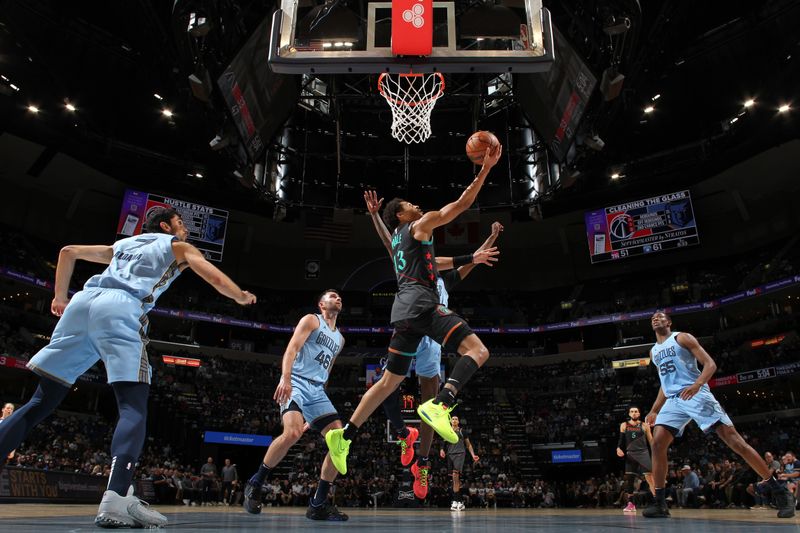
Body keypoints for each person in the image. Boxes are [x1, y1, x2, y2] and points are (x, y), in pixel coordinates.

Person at [0, 207, 257, 528]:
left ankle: (124, 493)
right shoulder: (177, 247)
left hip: (82, 304)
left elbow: (68, 252)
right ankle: (116, 498)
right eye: (181, 224)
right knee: (133, 407)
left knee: (40, 401)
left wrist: (59, 297)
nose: (186, 231)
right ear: (166, 227)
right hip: (121, 309)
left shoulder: (123, 246)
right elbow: (215, 278)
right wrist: (241, 296)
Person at [324, 143, 503, 481]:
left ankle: (344, 435)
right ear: (403, 216)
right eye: (409, 205)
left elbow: (429, 258)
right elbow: (462, 203)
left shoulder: (397, 241)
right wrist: (486, 169)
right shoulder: (421, 225)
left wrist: (470, 259)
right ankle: (441, 402)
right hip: (423, 305)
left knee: (388, 381)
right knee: (478, 350)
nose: (416, 205)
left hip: (402, 311)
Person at [365, 189, 502, 499]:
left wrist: (490, 238)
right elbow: (391, 243)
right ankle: (402, 433)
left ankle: (423, 464)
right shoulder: (412, 264)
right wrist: (375, 215)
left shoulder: (443, 280)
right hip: (412, 319)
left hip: (434, 335)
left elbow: (471, 263)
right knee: (384, 387)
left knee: (429, 403)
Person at [641, 311, 795, 519]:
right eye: (653, 318)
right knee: (658, 444)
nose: (655, 319)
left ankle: (779, 490)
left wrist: (697, 384)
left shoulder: (682, 337)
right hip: (673, 400)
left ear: (668, 322)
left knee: (735, 442)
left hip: (695, 393)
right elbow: (665, 383)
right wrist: (654, 409)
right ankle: (660, 503)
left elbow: (710, 364)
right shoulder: (653, 351)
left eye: (660, 317)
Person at [243, 289, 348, 521]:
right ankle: (255, 483)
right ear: (321, 304)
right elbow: (292, 348)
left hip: (318, 390)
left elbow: (327, 371)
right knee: (292, 433)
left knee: (338, 442)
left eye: (339, 297)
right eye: (332, 296)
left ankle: (318, 504)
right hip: (297, 382)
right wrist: (286, 378)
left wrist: (314, 412)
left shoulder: (340, 339)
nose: (337, 299)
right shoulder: (312, 320)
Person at [615, 406, 655, 513]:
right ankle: (631, 504)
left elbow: (651, 441)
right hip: (630, 454)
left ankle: (658, 501)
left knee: (650, 478)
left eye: (636, 411)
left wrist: (655, 452)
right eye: (632, 412)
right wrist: (618, 448)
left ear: (639, 414)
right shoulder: (624, 425)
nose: (634, 413)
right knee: (630, 479)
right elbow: (621, 440)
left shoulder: (644, 425)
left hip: (643, 453)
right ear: (629, 414)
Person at [439, 416, 479, 511]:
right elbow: (443, 443)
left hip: (460, 454)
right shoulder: (447, 431)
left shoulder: (462, 431)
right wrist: (441, 450)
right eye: (453, 419)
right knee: (454, 479)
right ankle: (458, 501)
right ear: (450, 421)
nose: (454, 420)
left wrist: (473, 455)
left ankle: (456, 500)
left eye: (456, 419)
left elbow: (468, 444)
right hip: (450, 455)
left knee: (455, 475)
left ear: (458, 421)